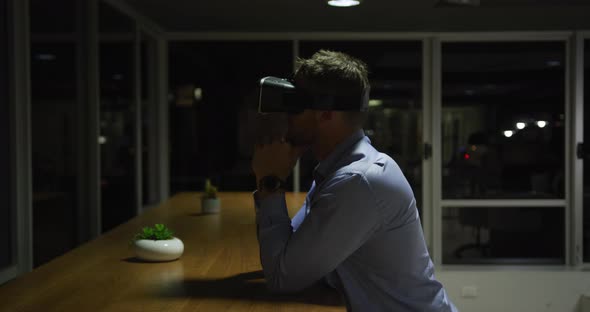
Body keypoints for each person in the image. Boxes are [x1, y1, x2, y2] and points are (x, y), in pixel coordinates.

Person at [251, 50, 457, 312]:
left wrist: (270, 182)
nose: (285, 115)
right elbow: (291, 253)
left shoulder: (358, 181)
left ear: (326, 113)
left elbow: (282, 277)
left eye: (295, 105)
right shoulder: (336, 171)